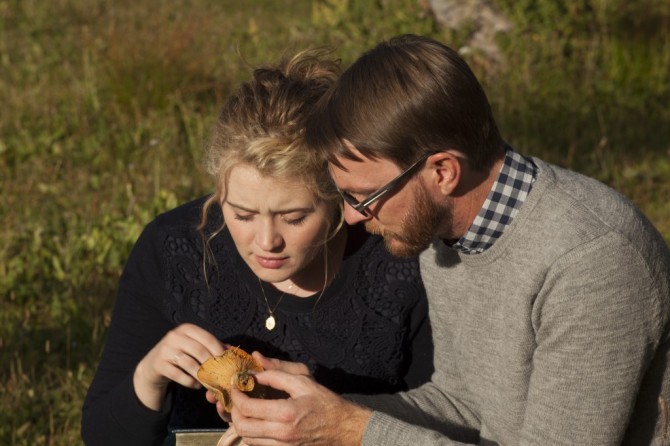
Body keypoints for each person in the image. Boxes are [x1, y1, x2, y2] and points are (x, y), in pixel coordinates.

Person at [226, 34, 670, 445]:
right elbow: (461, 406)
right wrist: (312, 415)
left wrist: (349, 428)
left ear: (443, 171)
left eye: (366, 196)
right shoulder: (445, 229)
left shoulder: (591, 261)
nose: (352, 216)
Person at [80, 49, 434, 446]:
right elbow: (100, 436)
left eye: (295, 217)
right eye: (242, 215)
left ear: (339, 198)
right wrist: (148, 376)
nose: (267, 241)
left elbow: (446, 422)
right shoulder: (174, 249)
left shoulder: (399, 264)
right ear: (218, 194)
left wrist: (334, 422)